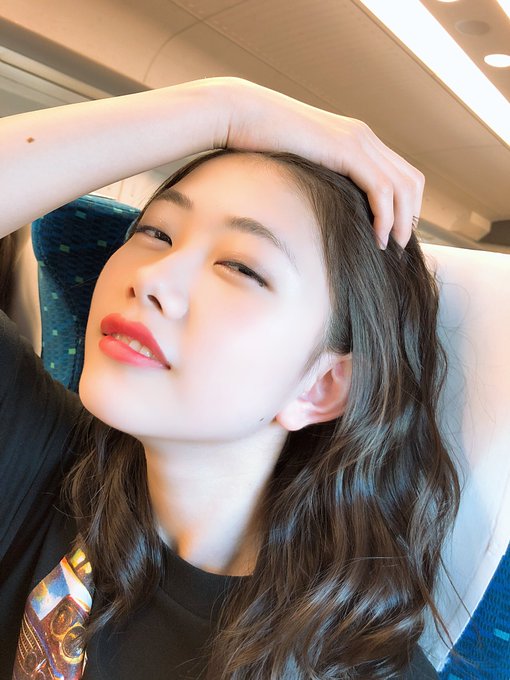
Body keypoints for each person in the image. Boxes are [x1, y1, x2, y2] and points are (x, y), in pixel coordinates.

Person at [0, 77, 458, 679]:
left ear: (320, 386)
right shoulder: (40, 463)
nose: (153, 277)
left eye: (241, 267)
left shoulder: (346, 666)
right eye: (156, 232)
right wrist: (227, 107)